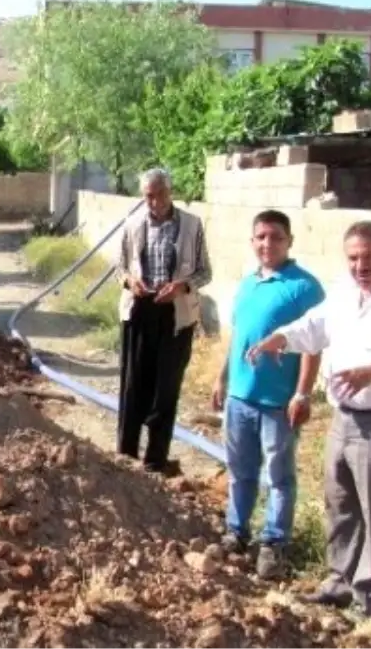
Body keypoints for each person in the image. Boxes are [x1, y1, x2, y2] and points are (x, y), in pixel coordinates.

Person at [245, 220, 371, 619]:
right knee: (341, 504)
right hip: (345, 417)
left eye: (369, 257)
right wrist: (280, 338)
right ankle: (338, 583)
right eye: (353, 258)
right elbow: (313, 327)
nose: (360, 266)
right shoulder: (344, 293)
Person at [211, 210, 325, 581]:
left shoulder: (305, 288)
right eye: (260, 237)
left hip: (278, 403)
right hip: (240, 398)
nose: (267, 244)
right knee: (241, 471)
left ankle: (274, 543)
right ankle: (237, 532)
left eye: (276, 237)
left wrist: (302, 394)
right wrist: (222, 379)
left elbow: (313, 345)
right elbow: (238, 337)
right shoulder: (247, 285)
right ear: (252, 241)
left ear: (289, 241)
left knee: (279, 476)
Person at [116, 168, 212, 476]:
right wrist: (130, 282)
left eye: (159, 194)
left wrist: (182, 287)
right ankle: (126, 456)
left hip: (176, 316)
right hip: (139, 311)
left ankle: (156, 460)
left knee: (165, 388)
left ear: (170, 192)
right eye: (148, 195)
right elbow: (120, 270)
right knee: (133, 387)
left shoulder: (192, 225)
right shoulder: (132, 224)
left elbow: (204, 272)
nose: (154, 201)